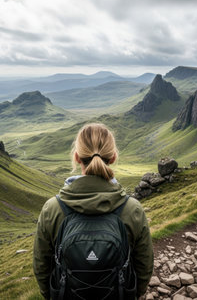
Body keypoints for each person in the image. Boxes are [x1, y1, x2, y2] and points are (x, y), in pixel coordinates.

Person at [33, 123, 153, 299]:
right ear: (112, 157)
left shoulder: (52, 208)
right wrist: (133, 294)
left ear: (76, 157)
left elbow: (41, 266)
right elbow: (144, 265)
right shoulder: (132, 209)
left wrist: (51, 295)